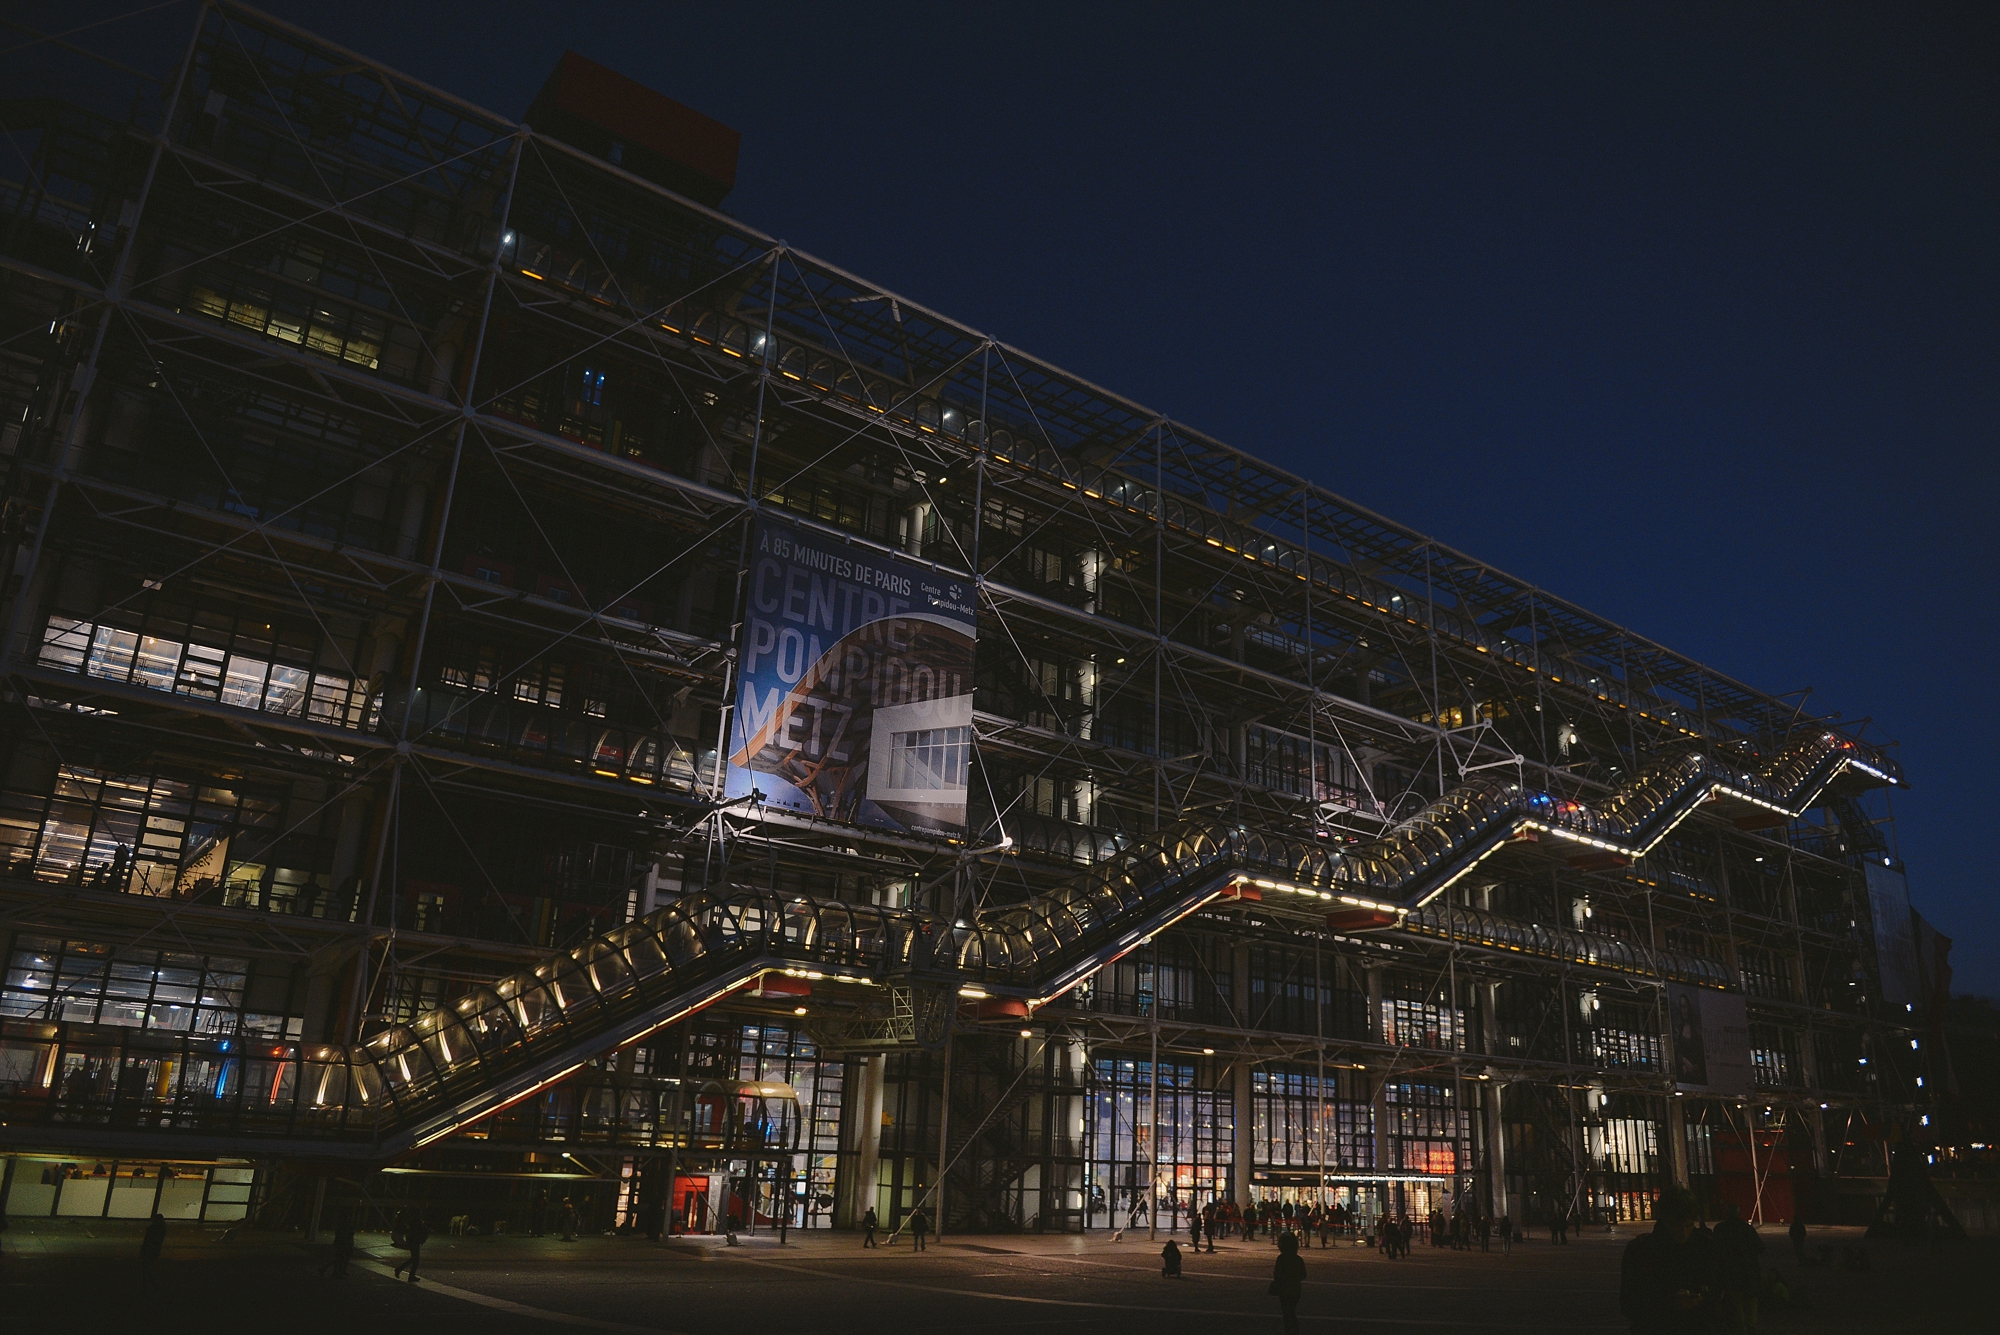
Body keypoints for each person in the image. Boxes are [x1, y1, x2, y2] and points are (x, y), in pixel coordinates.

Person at [1620, 1187, 1711, 1335]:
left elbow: (1721, 1289)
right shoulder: (1642, 1250)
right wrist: (1668, 1304)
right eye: (1676, 1225)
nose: (1683, 1233)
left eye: (1689, 1226)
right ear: (1665, 1219)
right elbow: (1629, 1304)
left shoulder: (1705, 1247)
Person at [1712, 1204, 1765, 1335]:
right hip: (1749, 1272)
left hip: (1731, 1273)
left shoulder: (1720, 1229)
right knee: (1750, 1301)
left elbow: (1715, 1252)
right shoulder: (1746, 1229)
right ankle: (1751, 1328)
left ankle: (1742, 1330)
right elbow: (1760, 1247)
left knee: (1737, 1305)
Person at [1271, 1230, 1307, 1335]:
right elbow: (1303, 1275)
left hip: (1284, 1288)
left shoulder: (1281, 1259)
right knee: (1291, 1311)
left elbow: (1277, 1274)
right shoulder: (1298, 1259)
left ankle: (1289, 1331)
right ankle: (1294, 1330)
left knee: (1286, 1313)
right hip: (1295, 1288)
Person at [392, 1207, 429, 1283]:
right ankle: (405, 1272)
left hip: (412, 1241)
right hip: (415, 1241)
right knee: (416, 1259)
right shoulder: (417, 1221)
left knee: (414, 1258)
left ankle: (405, 1272)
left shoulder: (412, 1221)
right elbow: (419, 1230)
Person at [318, 1206, 355, 1279]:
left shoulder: (343, 1224)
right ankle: (335, 1272)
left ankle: (336, 1271)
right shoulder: (344, 1225)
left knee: (340, 1258)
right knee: (340, 1258)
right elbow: (345, 1234)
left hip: (343, 1243)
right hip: (342, 1243)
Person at [140, 1211, 167, 1279]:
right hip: (155, 1246)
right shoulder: (162, 1227)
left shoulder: (153, 1227)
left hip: (150, 1246)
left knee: (147, 1261)